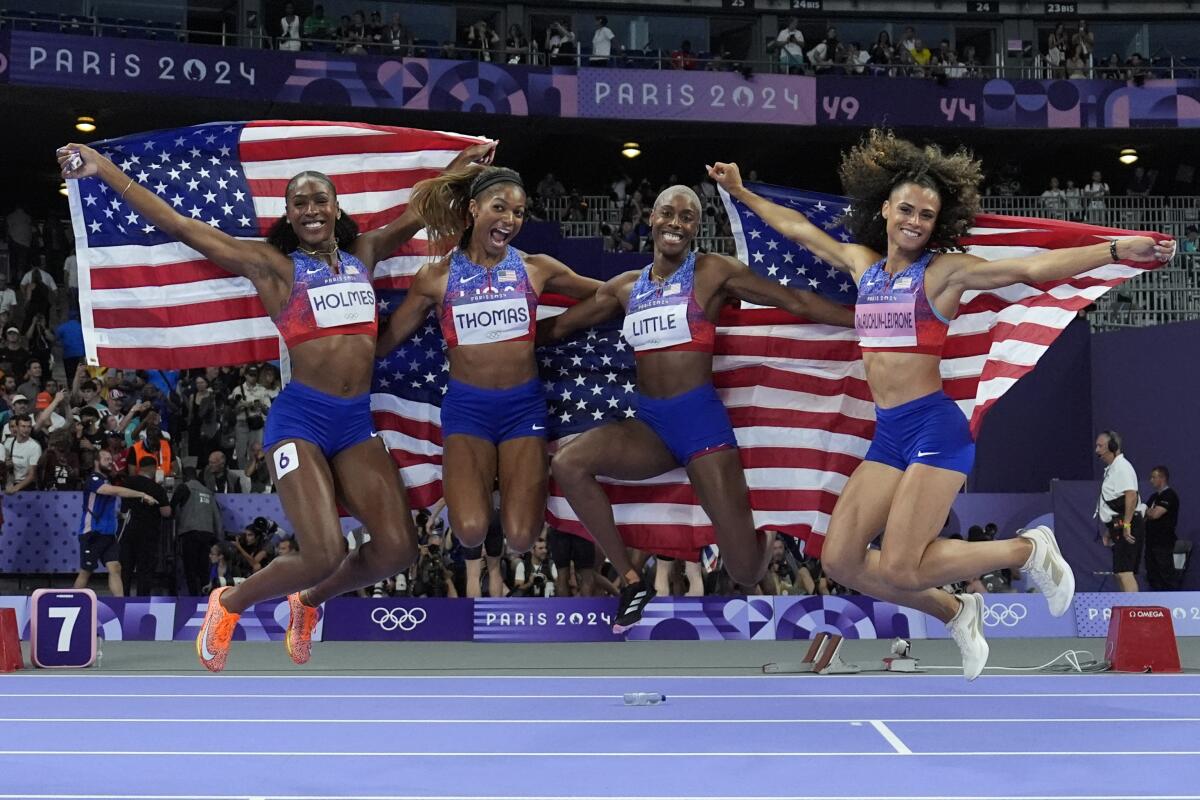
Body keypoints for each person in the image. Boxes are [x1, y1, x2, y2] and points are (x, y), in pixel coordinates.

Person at [707, 132, 1174, 679]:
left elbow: (1028, 270)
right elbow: (798, 229)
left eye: (926, 215)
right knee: (840, 560)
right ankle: (957, 609)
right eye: (906, 209)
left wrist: (1116, 251)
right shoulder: (863, 265)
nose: (914, 221)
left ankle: (1025, 550)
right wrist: (741, 193)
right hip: (889, 435)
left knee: (905, 564)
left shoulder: (943, 273)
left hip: (934, 428)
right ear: (884, 209)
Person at [59, 137, 493, 671]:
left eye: (319, 200)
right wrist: (103, 169)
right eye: (300, 203)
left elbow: (420, 211)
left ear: (337, 207)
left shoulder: (365, 254)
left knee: (398, 550)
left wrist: (460, 168)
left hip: (355, 426)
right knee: (323, 552)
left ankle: (307, 603)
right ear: (289, 214)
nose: (311, 210)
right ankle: (229, 603)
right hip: (301, 422)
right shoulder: (273, 267)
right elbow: (182, 227)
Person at [541, 184, 854, 631]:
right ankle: (631, 581)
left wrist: (862, 319)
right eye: (668, 213)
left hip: (701, 426)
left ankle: (767, 534)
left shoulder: (711, 271)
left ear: (696, 227)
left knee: (745, 570)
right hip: (649, 426)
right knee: (569, 464)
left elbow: (795, 301)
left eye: (687, 217)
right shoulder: (626, 288)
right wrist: (489, 346)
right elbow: (561, 327)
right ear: (651, 218)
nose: (676, 223)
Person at [378, 164, 600, 559]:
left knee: (521, 538)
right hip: (468, 411)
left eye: (518, 212)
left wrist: (552, 330)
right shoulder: (435, 278)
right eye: (500, 207)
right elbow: (387, 341)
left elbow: (604, 295)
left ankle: (505, 493)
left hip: (523, 409)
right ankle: (485, 495)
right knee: (469, 531)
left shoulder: (536, 267)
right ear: (474, 208)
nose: (510, 220)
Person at [74, 448, 159, 597]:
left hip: (108, 535)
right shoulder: (93, 480)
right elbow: (113, 491)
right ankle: (70, 603)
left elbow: (102, 506)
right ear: (96, 462)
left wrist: (118, 515)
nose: (110, 461)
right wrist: (142, 495)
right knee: (86, 572)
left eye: (110, 459)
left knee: (115, 567)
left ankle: (120, 603)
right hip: (92, 534)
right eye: (106, 459)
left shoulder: (107, 480)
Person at [1095, 430, 1144, 593]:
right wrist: (1111, 529)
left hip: (1129, 524)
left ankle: (1134, 615)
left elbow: (1131, 496)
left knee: (1125, 572)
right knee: (1119, 573)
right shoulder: (1112, 469)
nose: (1097, 451)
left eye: (1100, 446)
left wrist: (1127, 525)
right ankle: (1128, 611)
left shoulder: (1122, 467)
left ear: (1113, 446)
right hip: (1120, 524)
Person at [119, 455, 172, 595]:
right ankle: (142, 602)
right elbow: (166, 512)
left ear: (139, 468)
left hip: (126, 531)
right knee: (145, 570)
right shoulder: (157, 489)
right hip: (147, 535)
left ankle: (121, 600)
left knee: (125, 569)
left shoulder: (127, 482)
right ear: (153, 469)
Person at [171, 466, 225, 595]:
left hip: (190, 533)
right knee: (203, 569)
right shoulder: (208, 492)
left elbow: (171, 508)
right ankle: (205, 596)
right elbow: (217, 516)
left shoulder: (184, 487)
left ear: (184, 476)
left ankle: (193, 597)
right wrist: (219, 538)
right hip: (208, 534)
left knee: (190, 568)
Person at [1144, 465, 1180, 591]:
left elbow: (1154, 514)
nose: (1151, 480)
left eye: (1154, 477)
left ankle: (1171, 601)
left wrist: (1147, 511)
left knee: (1165, 573)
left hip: (1164, 542)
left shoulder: (1169, 495)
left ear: (1162, 478)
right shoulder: (1154, 497)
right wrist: (1146, 511)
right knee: (1152, 574)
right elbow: (1142, 513)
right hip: (1150, 542)